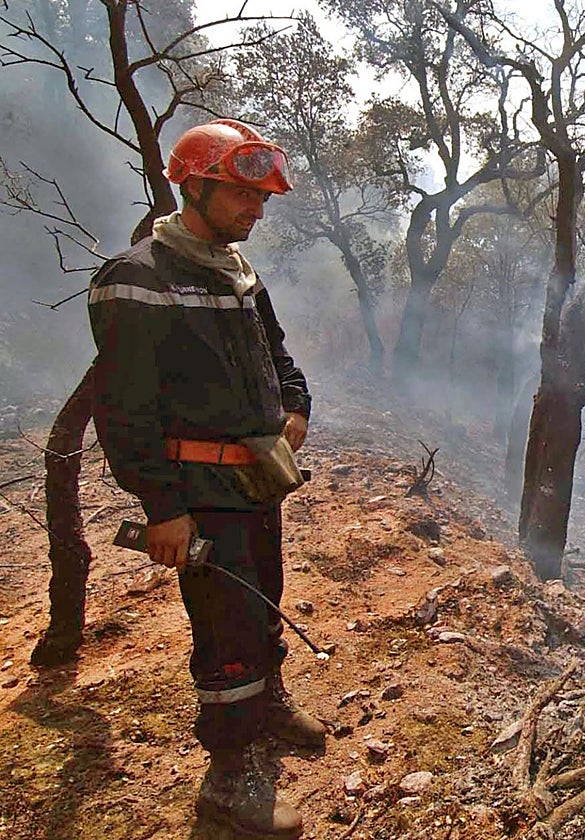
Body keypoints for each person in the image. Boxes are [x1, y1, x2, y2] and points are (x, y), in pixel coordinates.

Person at [86, 118, 324, 839]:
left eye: (263, 198)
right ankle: (229, 777)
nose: (258, 210)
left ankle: (269, 703)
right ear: (196, 186)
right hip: (199, 492)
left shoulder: (239, 274)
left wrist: (295, 407)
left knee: (266, 597)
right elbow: (122, 408)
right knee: (226, 627)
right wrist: (162, 506)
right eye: (245, 196)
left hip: (257, 483)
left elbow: (278, 356)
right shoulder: (136, 280)